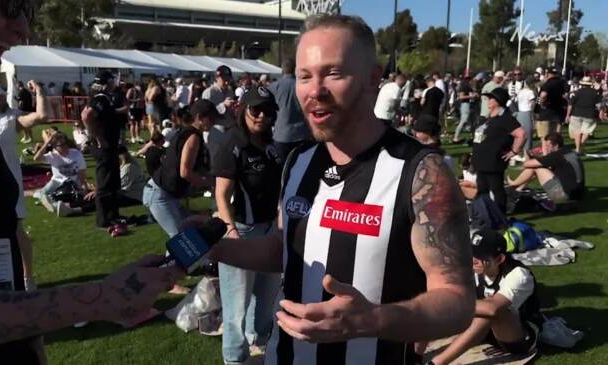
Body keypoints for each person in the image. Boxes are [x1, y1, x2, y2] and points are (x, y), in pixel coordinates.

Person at [193, 15, 474, 364]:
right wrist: (212, 249)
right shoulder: (298, 162)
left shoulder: (421, 172)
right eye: (305, 76)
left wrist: (373, 320)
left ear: (373, 79)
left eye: (334, 73)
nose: (314, 90)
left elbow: (458, 301)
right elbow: (280, 250)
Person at [0, 0, 182, 359]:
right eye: (10, 5)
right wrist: (101, 299)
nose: (23, 30)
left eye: (27, 13)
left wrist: (32, 344)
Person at [212, 86, 283, 365]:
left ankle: (260, 342)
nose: (262, 116)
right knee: (236, 305)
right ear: (244, 110)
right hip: (241, 230)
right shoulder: (233, 144)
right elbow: (221, 195)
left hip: (269, 230)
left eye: (268, 111)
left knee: (266, 297)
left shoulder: (270, 144)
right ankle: (234, 358)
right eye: (256, 109)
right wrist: (231, 232)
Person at [0, 82, 48, 291]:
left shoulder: (9, 118)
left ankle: (27, 277)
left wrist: (39, 92)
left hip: (6, 183)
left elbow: (41, 117)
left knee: (15, 229)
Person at [430, 228, 541, 365]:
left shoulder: (519, 275)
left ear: (499, 259)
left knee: (490, 309)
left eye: (480, 256)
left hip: (520, 335)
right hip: (486, 332)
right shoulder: (475, 269)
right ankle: (413, 354)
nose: (473, 260)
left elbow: (492, 309)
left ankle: (436, 363)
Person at [144, 99, 216, 238]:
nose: (213, 122)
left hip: (165, 193)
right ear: (199, 118)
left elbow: (198, 168)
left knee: (189, 233)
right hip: (160, 194)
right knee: (181, 238)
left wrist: (213, 180)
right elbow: (185, 172)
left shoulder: (190, 134)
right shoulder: (193, 136)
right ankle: (173, 260)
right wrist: (210, 184)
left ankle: (192, 260)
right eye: (211, 118)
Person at [472, 87, 526, 214]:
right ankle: (482, 214)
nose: (488, 100)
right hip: (481, 160)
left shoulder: (506, 118)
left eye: (491, 98)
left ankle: (501, 216)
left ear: (498, 100)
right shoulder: (489, 117)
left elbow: (521, 134)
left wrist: (513, 151)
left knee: (496, 189)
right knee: (482, 190)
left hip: (493, 161)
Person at [81, 70, 122, 228]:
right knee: (105, 183)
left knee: (112, 181)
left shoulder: (105, 98)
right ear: (107, 83)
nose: (114, 84)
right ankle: (104, 219)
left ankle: (113, 215)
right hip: (104, 146)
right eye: (112, 82)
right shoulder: (100, 98)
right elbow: (86, 115)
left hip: (110, 145)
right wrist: (97, 137)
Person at [507, 132, 584, 204]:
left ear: (556, 145)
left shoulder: (555, 156)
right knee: (540, 166)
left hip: (564, 196)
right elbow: (549, 165)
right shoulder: (569, 151)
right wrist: (539, 158)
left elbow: (526, 164)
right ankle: (518, 188)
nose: (546, 148)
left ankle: (513, 185)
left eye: (548, 146)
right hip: (578, 194)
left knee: (536, 167)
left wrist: (529, 156)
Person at [32, 132, 89, 214]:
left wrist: (84, 187)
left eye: (65, 144)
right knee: (41, 194)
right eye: (61, 145)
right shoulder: (52, 156)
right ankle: (55, 205)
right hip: (56, 181)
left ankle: (51, 203)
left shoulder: (76, 154)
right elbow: (36, 158)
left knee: (44, 195)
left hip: (72, 183)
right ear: (55, 147)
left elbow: (82, 173)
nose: (65, 146)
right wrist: (47, 142)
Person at [269, 58, 311, 159]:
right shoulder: (302, 86)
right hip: (301, 134)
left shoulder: (274, 87)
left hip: (281, 134)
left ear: (282, 70)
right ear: (295, 69)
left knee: (281, 170)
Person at [566, 76, 601, 154]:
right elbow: (599, 105)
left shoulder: (576, 92)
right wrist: (599, 114)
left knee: (577, 132)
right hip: (590, 114)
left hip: (576, 113)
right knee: (586, 132)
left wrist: (568, 115)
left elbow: (570, 104)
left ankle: (578, 148)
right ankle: (581, 146)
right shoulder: (595, 93)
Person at [536, 67, 566, 145]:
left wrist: (542, 104)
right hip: (558, 112)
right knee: (556, 138)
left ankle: (547, 155)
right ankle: (556, 153)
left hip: (546, 112)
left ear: (548, 74)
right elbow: (566, 95)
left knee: (545, 138)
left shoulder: (547, 84)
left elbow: (543, 95)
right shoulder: (562, 83)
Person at [514, 77, 537, 161]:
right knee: (528, 136)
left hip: (520, 114)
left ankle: (516, 154)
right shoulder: (530, 92)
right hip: (527, 113)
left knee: (520, 135)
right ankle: (527, 156)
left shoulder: (520, 92)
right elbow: (532, 104)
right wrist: (533, 116)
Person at [453, 76, 477, 143]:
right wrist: (471, 96)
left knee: (473, 122)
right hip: (465, 104)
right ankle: (456, 137)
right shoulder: (463, 87)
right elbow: (461, 97)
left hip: (471, 105)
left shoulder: (470, 87)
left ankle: (473, 136)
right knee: (464, 121)